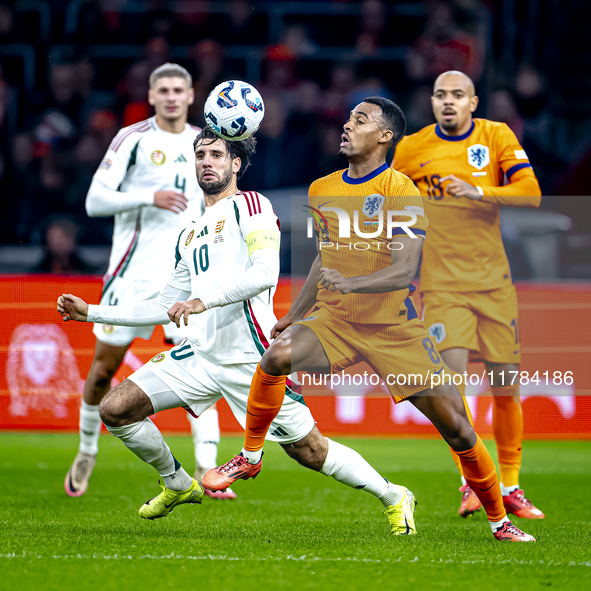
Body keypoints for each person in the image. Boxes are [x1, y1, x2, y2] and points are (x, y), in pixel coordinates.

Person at [57, 126, 417, 535]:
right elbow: (162, 306)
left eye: (216, 155)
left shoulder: (252, 206)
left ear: (236, 164)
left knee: (310, 451)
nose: (207, 162)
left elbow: (265, 274)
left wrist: (201, 301)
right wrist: (92, 312)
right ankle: (177, 483)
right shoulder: (188, 232)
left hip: (251, 358)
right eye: (200, 155)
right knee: (116, 408)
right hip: (199, 355)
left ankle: (393, 495)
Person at [205, 97, 535, 542]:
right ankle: (249, 455)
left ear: (384, 136)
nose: (346, 126)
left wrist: (354, 284)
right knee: (275, 358)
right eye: (347, 118)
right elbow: (323, 260)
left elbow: (404, 270)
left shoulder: (401, 190)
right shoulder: (322, 188)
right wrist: (293, 315)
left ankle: (500, 522)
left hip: (394, 329)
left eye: (359, 120)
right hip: (336, 321)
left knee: (457, 428)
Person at [64, 63, 235, 501]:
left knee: (201, 367)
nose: (173, 96)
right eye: (164, 90)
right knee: (103, 370)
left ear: (192, 94)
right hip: (131, 276)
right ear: (152, 95)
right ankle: (86, 450)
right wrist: (149, 196)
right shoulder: (133, 139)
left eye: (180, 89)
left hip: (185, 279)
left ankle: (206, 467)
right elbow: (94, 200)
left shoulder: (205, 142)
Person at [391, 70, 544, 520]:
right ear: (432, 102)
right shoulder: (413, 148)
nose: (449, 101)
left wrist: (479, 192)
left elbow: (530, 193)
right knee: (450, 387)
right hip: (441, 286)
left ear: (473, 102)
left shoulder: (496, 136)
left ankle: (511, 486)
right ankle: (472, 483)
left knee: (505, 388)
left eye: (458, 94)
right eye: (441, 95)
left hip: (495, 285)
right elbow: (383, 194)